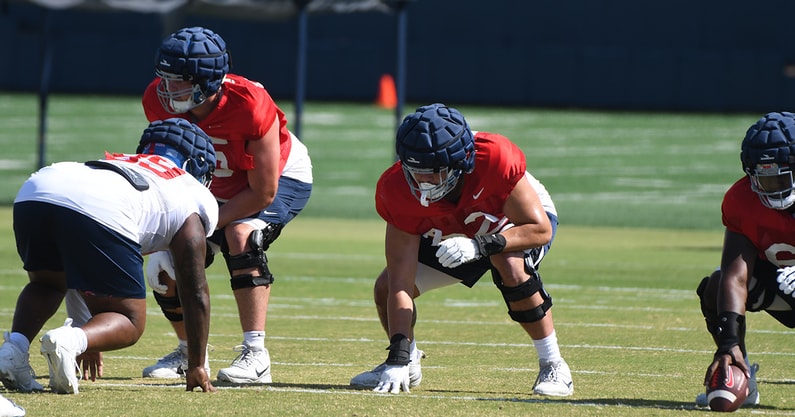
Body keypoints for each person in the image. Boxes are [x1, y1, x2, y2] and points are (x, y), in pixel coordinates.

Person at [349, 103, 574, 395]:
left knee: (508, 264)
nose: (422, 182)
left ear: (461, 162)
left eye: (434, 173)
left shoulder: (495, 161)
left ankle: (553, 365)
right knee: (385, 286)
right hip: (453, 227)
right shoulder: (397, 190)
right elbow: (400, 285)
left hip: (507, 221)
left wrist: (480, 244)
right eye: (415, 171)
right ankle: (409, 362)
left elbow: (539, 229)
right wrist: (398, 356)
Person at [140, 26, 313, 384]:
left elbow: (263, 192)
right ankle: (190, 350)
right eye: (165, 79)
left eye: (180, 82)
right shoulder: (155, 100)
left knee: (241, 235)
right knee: (168, 261)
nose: (168, 90)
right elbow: (169, 167)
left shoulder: (248, 103)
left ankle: (256, 354)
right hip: (215, 182)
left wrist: (201, 224)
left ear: (207, 82)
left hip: (280, 177)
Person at [0, 118, 218, 394]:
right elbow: (194, 288)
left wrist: (89, 331)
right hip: (101, 205)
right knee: (130, 320)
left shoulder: (128, 162)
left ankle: (14, 350)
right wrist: (197, 364)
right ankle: (68, 341)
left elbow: (75, 266)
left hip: (39, 189)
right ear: (196, 165)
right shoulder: (192, 190)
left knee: (47, 284)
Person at [694, 111, 795, 408]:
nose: (770, 188)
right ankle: (742, 376)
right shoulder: (742, 199)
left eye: (779, 178)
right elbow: (735, 275)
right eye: (763, 179)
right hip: (782, 288)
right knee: (715, 288)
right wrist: (728, 343)